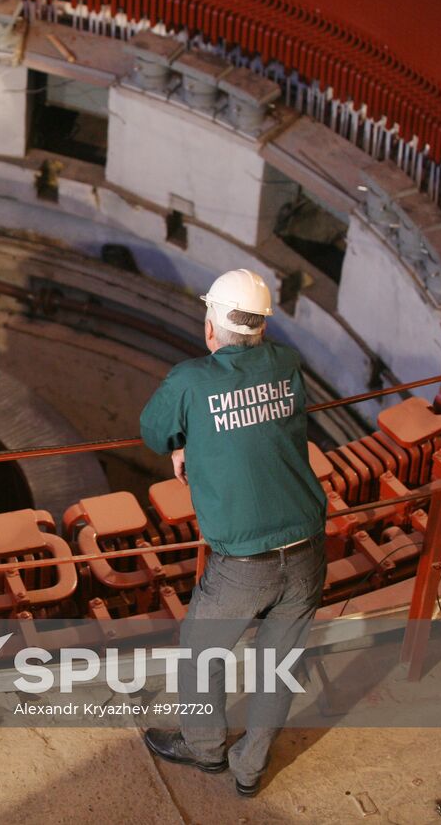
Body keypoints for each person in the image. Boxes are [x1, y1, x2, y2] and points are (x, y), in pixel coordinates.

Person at [137, 268, 327, 797]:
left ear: (210, 327)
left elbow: (154, 432)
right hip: (309, 546)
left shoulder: (191, 379)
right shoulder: (288, 364)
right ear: (262, 327)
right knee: (278, 667)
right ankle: (249, 769)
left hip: (245, 562)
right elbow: (266, 428)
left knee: (202, 655)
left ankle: (204, 750)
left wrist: (184, 446)